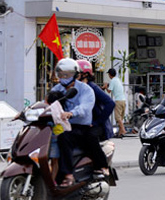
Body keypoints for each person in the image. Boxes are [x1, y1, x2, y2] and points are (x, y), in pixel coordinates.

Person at [52, 58, 109, 187]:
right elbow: (47, 102)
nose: (64, 77)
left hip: (82, 126)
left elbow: (85, 107)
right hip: (64, 125)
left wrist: (72, 113)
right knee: (57, 137)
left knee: (87, 138)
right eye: (61, 74)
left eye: (68, 74)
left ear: (76, 75)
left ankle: (70, 174)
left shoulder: (86, 90)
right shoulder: (57, 88)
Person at [77, 60, 115, 141]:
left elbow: (110, 103)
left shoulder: (91, 87)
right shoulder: (77, 87)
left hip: (96, 128)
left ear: (85, 74)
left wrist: (97, 122)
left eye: (77, 73)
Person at [104, 68, 127, 137]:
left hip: (118, 101)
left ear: (110, 74)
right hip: (123, 100)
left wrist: (105, 87)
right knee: (121, 117)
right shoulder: (118, 80)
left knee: (118, 117)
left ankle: (123, 130)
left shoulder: (113, 81)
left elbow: (109, 91)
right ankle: (120, 133)